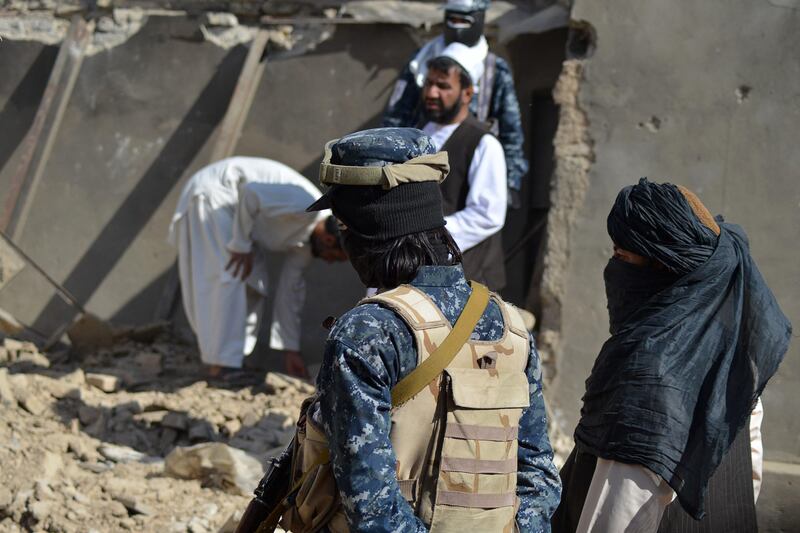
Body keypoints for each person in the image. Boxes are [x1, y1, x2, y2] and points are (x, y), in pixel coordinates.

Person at [237, 127, 560, 532]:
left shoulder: (367, 332)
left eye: (343, 225)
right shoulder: (510, 325)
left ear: (368, 228)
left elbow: (371, 505)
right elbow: (539, 478)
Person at [552, 179, 792, 533]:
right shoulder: (732, 360)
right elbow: (748, 478)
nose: (613, 269)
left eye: (622, 256)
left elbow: (615, 517)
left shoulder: (646, 377)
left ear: (664, 267)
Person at [168, 157, 346, 378]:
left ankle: (234, 359)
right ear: (329, 240)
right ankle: (221, 366)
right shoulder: (305, 203)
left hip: (239, 219)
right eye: (334, 257)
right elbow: (251, 193)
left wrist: (289, 350)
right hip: (216, 194)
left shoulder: (306, 246)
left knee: (255, 284)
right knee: (230, 276)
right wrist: (240, 246)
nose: (329, 262)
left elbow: (290, 293)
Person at [382, 0, 528, 206]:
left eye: (464, 21)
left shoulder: (494, 69)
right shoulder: (422, 61)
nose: (433, 92)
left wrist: (511, 182)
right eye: (453, 20)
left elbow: (511, 130)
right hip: (422, 158)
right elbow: (396, 117)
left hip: (471, 160)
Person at [420, 48, 508, 291]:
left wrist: (426, 237)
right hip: (420, 274)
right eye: (428, 83)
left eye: (443, 86)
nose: (431, 92)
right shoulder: (417, 134)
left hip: (465, 280)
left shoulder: (483, 143)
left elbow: (487, 215)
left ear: (467, 93)